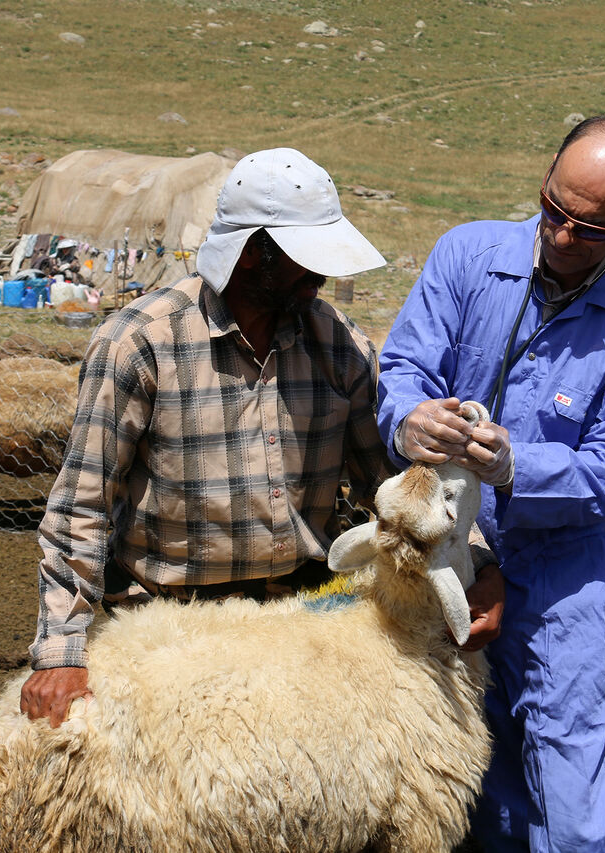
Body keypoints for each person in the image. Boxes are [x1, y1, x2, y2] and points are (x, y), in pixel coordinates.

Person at [377, 117, 605, 851]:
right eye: (554, 207)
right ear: (546, 175)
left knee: (574, 802)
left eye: (589, 227)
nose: (560, 234)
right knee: (470, 784)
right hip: (449, 555)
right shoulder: (466, 256)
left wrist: (518, 465)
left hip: (564, 580)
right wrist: (407, 421)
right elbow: (403, 370)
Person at [21, 148, 414, 726]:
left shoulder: (339, 345)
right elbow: (82, 504)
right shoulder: (141, 343)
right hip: (171, 635)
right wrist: (61, 653)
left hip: (302, 623)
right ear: (254, 252)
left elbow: (389, 484)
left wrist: (467, 558)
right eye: (305, 257)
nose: (323, 275)